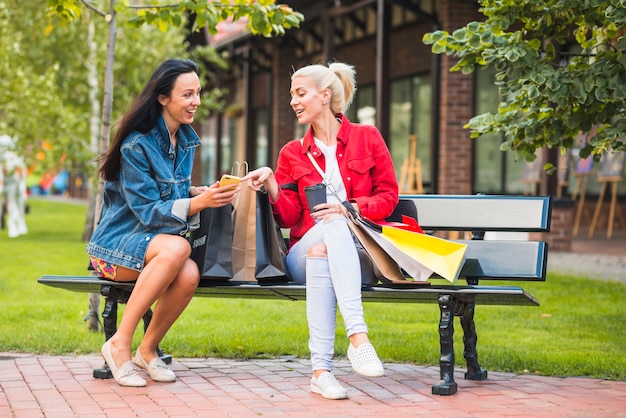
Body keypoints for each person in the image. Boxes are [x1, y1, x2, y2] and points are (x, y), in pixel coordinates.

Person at [243, 62, 399, 399]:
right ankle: (358, 336)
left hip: (359, 256)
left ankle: (321, 371)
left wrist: (351, 208)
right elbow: (286, 218)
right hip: (299, 252)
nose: (293, 102)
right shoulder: (292, 153)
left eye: (300, 93)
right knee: (326, 232)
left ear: (325, 96)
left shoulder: (367, 138)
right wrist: (272, 182)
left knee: (324, 249)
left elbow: (388, 196)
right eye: (291, 95)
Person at [87, 59, 240, 387]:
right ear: (163, 98)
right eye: (188, 94)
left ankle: (147, 349)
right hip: (115, 248)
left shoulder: (183, 139)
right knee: (178, 248)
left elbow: (173, 192)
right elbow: (147, 210)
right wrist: (198, 202)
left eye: (198, 93)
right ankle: (118, 345)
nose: (196, 101)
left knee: (189, 273)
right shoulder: (136, 145)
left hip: (155, 248)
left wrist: (206, 192)